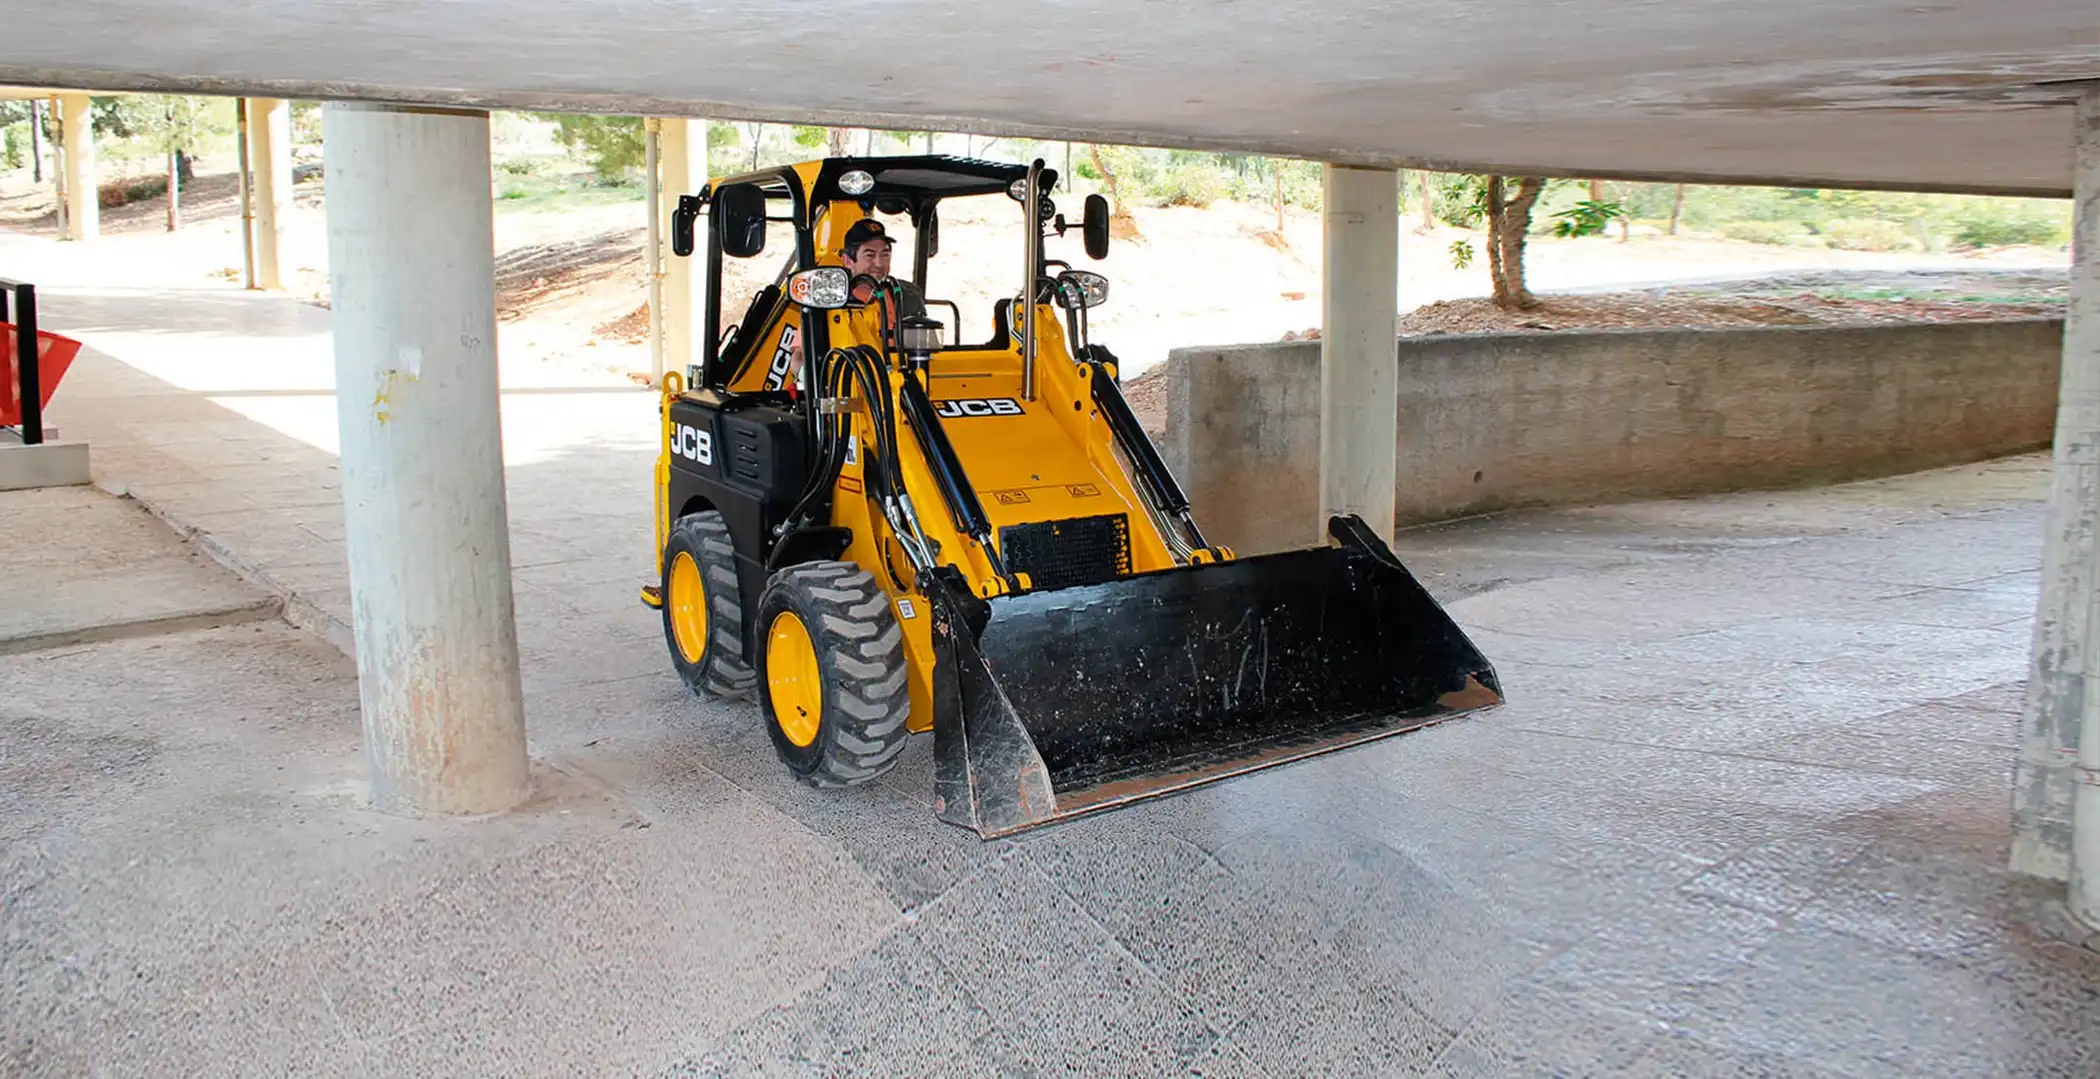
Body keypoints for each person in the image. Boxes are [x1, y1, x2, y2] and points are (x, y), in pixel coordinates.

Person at [840, 218, 927, 321]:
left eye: (885, 255)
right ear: (848, 261)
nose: (879, 263)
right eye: (870, 255)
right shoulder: (835, 300)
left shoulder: (909, 295)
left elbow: (924, 336)